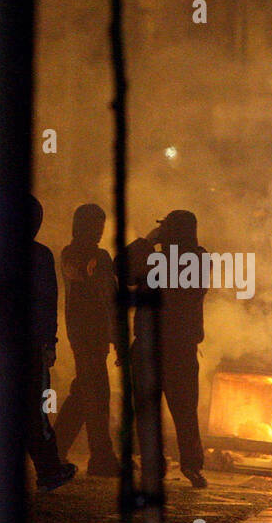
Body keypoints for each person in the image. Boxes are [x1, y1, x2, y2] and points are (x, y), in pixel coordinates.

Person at [128, 210, 209, 488]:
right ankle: (191, 466)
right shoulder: (199, 258)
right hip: (181, 348)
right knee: (185, 410)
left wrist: (147, 241)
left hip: (154, 346)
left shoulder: (158, 259)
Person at [53, 204, 120, 477]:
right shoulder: (76, 256)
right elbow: (103, 294)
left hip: (89, 335)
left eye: (101, 225)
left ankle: (55, 449)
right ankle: (101, 458)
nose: (99, 231)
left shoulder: (89, 256)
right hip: (86, 336)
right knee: (96, 395)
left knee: (85, 393)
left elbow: (109, 297)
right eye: (94, 225)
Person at [27, 196, 78, 491]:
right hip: (30, 347)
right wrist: (49, 343)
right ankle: (49, 471)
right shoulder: (40, 255)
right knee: (35, 410)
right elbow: (48, 303)